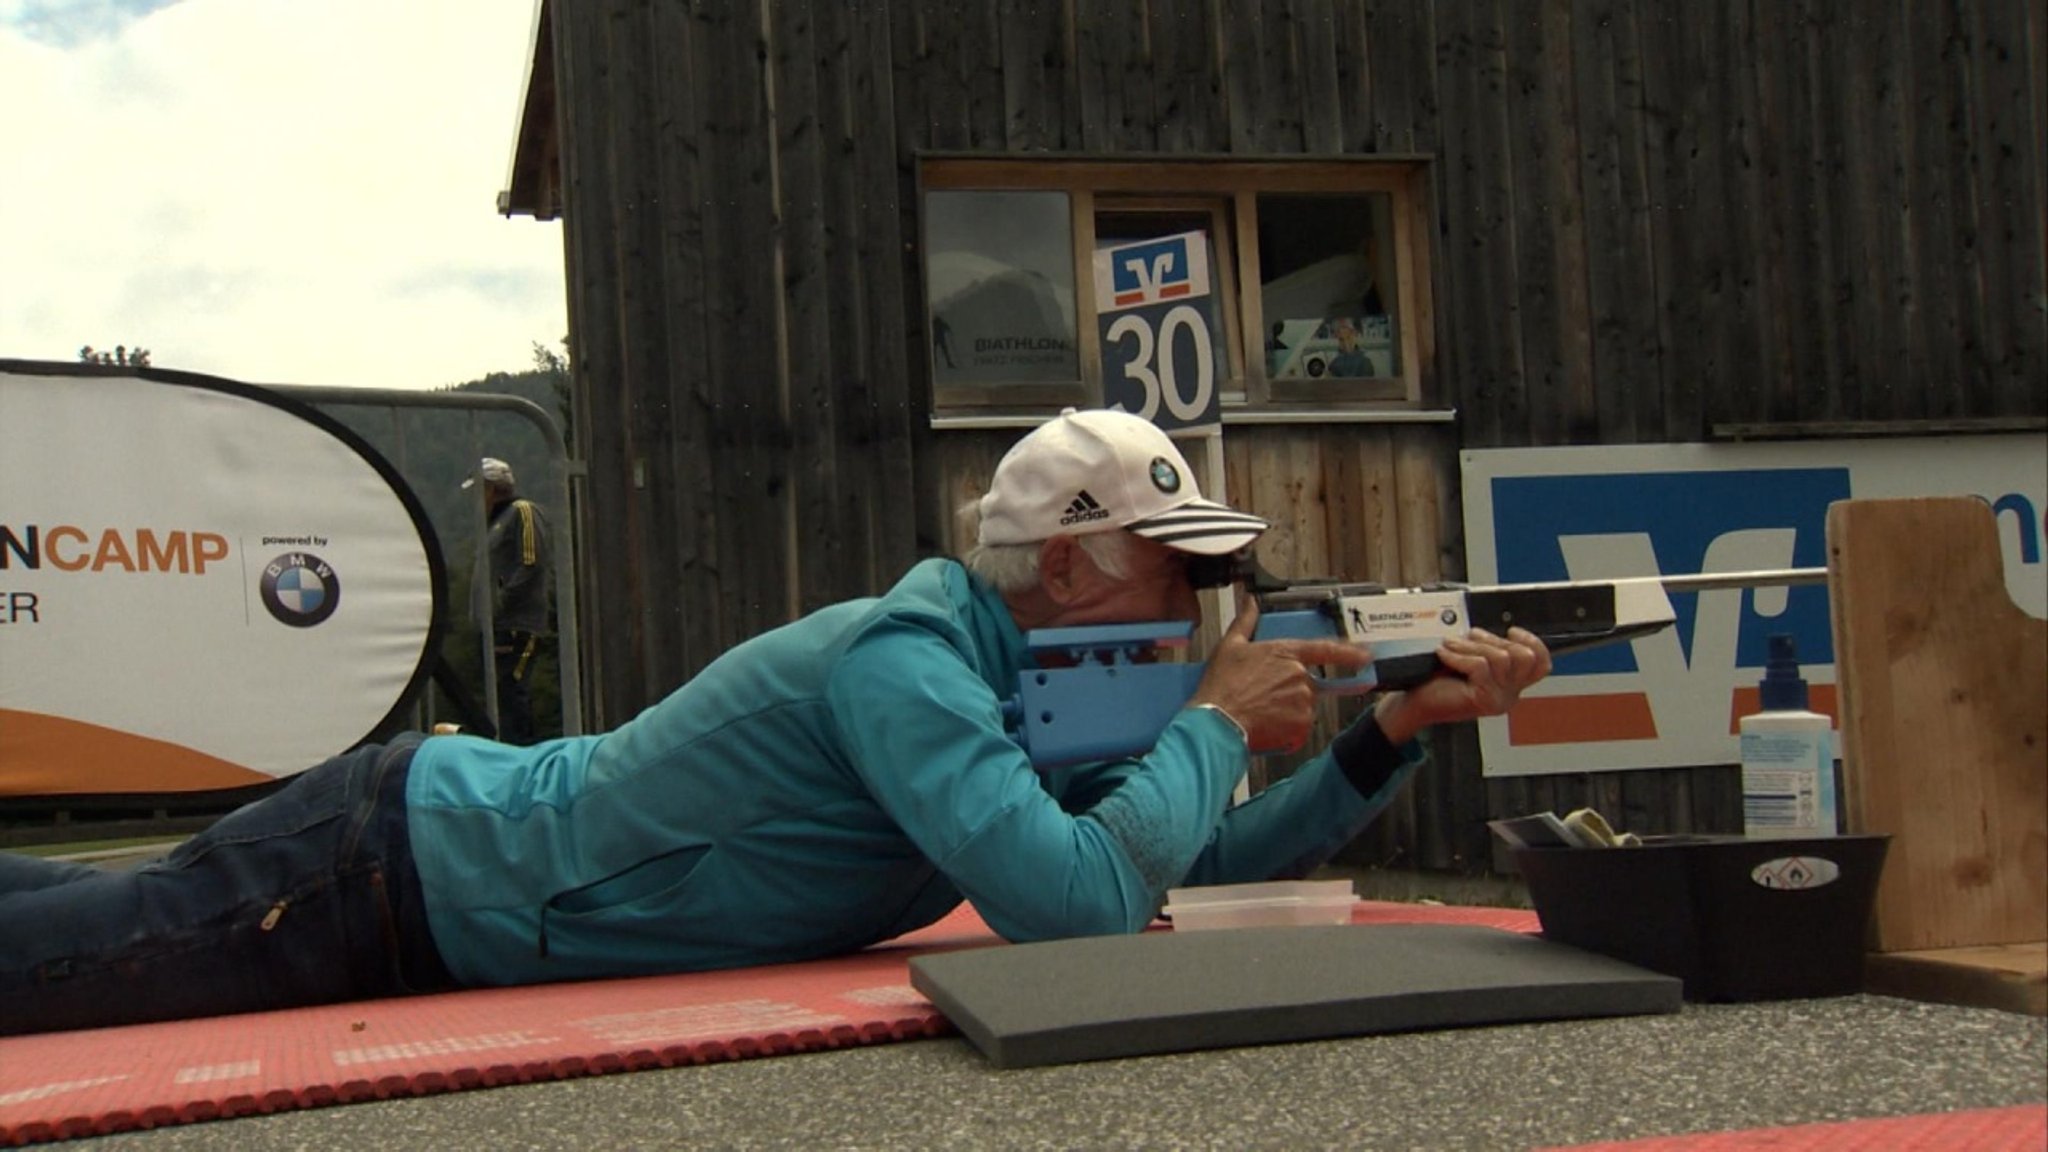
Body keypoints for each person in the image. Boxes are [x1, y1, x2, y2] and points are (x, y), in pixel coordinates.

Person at [0, 408, 1551, 1036]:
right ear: (1068, 561)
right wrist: (1215, 720)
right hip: (395, 874)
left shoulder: (1015, 675)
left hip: (412, 863)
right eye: (1181, 561)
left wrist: (1383, 738)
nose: (1212, 592)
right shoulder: (912, 667)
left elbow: (1171, 871)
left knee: (76, 912)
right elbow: (1076, 905)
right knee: (60, 970)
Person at [465, 457, 552, 744]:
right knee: (499, 696)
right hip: (494, 626)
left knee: (511, 690)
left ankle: (521, 754)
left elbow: (532, 561)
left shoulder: (521, 511)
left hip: (515, 625)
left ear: (492, 489)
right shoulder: (493, 525)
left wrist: (501, 602)